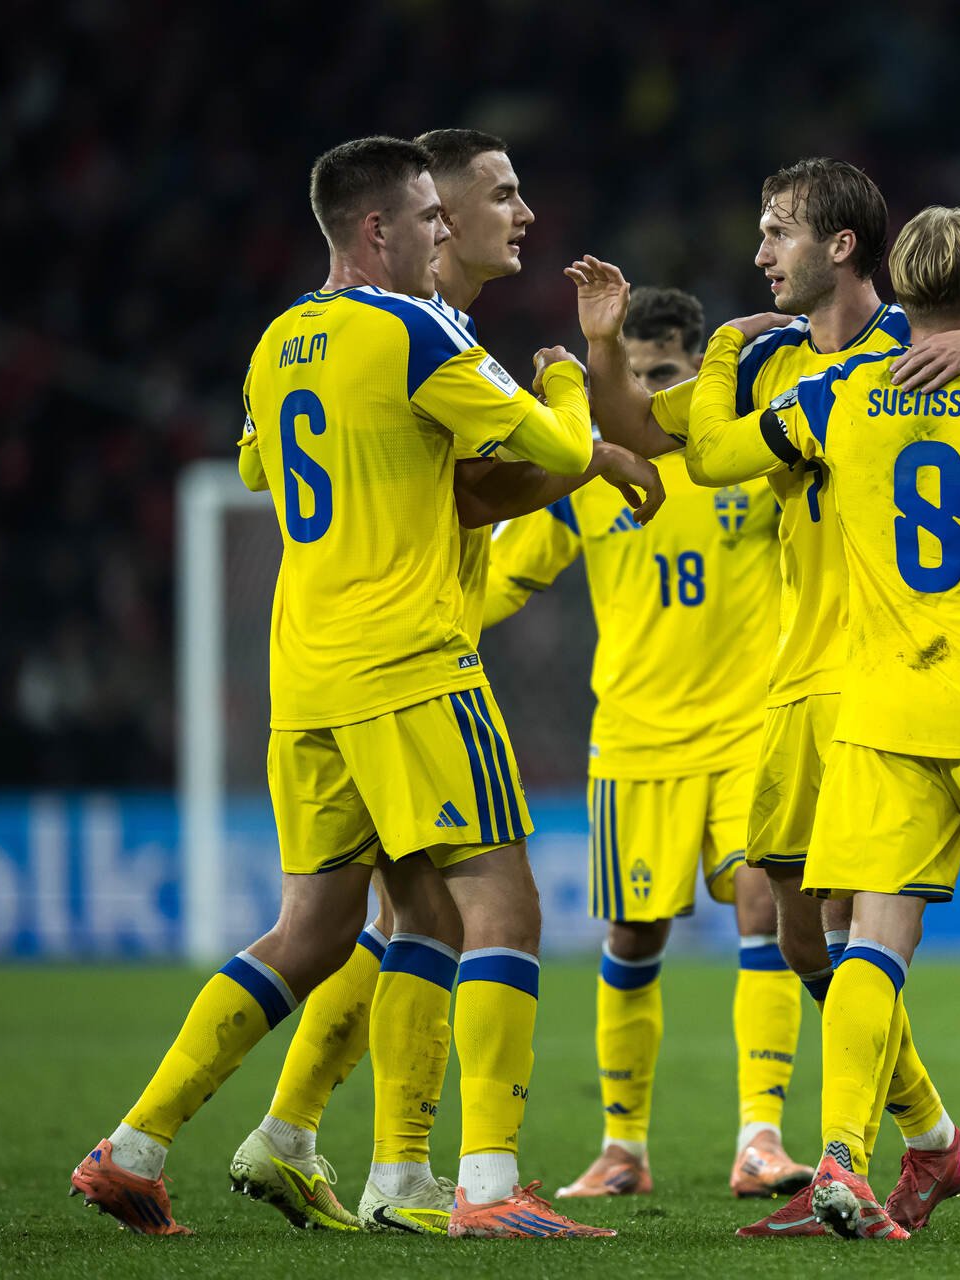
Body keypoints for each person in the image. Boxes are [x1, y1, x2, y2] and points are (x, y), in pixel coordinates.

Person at [68, 134, 613, 1240]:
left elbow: (261, 466)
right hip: (408, 660)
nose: (443, 230)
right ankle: (488, 1186)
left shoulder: (278, 342)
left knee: (329, 925)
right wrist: (569, 376)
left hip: (307, 672)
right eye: (430, 215)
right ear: (378, 228)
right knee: (502, 902)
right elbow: (560, 446)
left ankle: (138, 1145)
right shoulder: (415, 329)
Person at [565, 157, 960, 1236]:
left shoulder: (847, 386)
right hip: (934, 696)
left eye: (778, 230)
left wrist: (726, 359)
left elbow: (710, 451)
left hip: (877, 696)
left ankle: (846, 1153)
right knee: (871, 943)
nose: (762, 251)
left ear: (859, 254)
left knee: (865, 936)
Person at [223, 127, 663, 1236]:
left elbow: (284, 468)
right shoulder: (427, 338)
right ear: (430, 221)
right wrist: (589, 422)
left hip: (340, 664)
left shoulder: (344, 336)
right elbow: (510, 483)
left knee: (394, 917)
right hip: (429, 667)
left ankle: (311, 1142)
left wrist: (593, 399)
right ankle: (475, 1174)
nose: (523, 214)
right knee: (468, 908)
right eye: (493, 197)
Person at [479, 286, 815, 1199]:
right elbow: (503, 579)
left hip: (751, 729)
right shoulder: (587, 473)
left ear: (699, 370)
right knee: (632, 935)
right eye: (631, 378)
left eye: (664, 376)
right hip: (634, 741)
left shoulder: (743, 456)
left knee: (766, 912)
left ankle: (761, 1137)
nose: (648, 396)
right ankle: (622, 1147)